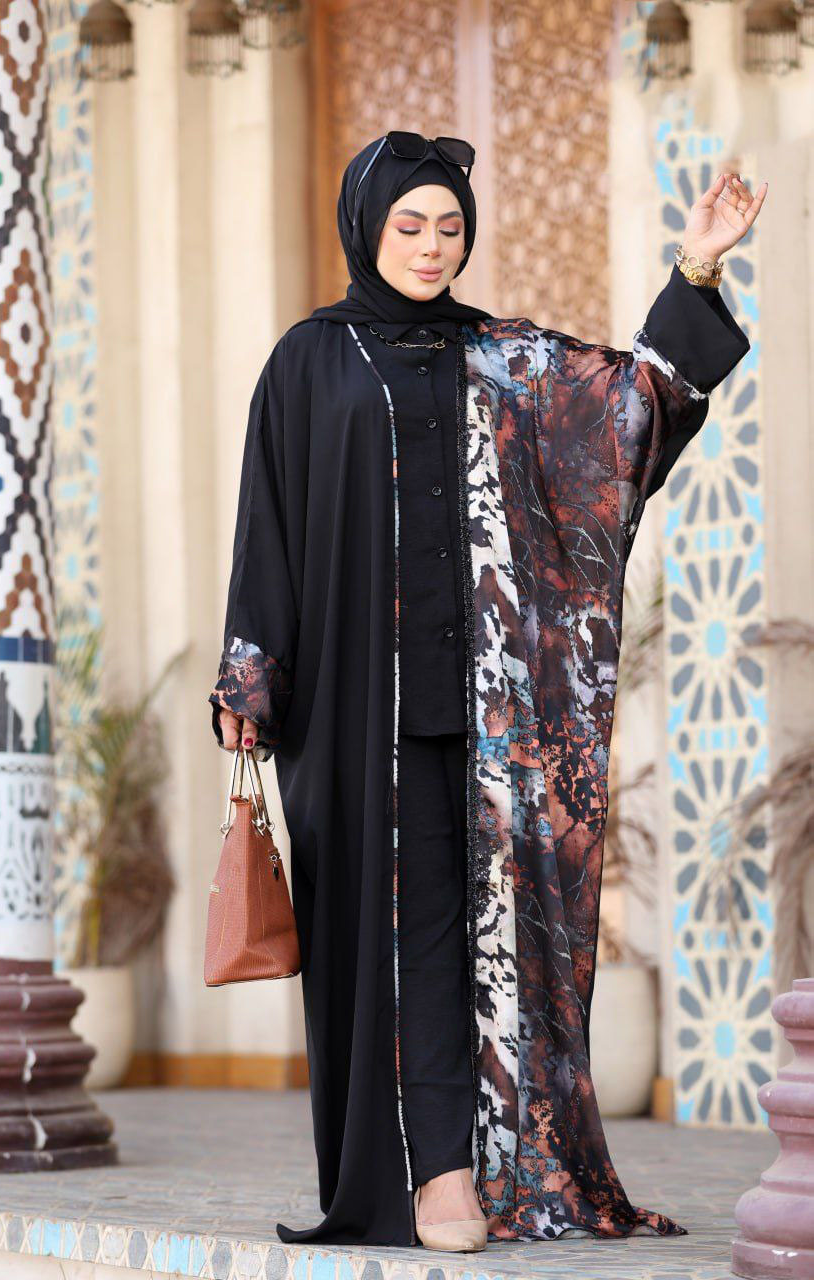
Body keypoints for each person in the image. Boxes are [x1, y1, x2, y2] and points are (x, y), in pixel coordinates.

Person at [208, 133, 764, 1251]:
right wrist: (249, 676)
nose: (431, 247)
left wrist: (697, 267)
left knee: (486, 938)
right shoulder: (308, 360)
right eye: (409, 225)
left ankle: (483, 1169)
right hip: (354, 713)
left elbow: (637, 406)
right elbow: (268, 521)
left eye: (450, 227)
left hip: (499, 717)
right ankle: (423, 1174)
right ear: (365, 227)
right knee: (395, 935)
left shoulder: (504, 357)